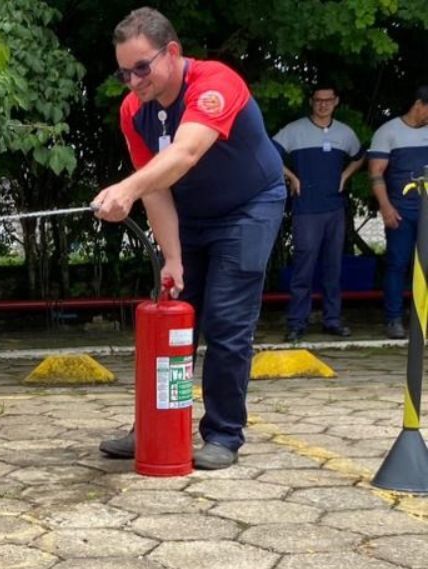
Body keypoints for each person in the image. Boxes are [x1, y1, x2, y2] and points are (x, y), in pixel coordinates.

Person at [92, 7, 286, 469]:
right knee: (172, 315)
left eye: (142, 68)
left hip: (248, 208)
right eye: (124, 73)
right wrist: (172, 259)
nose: (134, 81)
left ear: (172, 52)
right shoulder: (133, 111)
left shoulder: (215, 83)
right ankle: (154, 428)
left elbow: (185, 152)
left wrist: (126, 188)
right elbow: (157, 188)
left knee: (225, 320)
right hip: (189, 215)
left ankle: (223, 434)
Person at [273, 85, 364, 343]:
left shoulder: (345, 133)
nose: (323, 105)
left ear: (336, 102)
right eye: (318, 100)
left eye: (328, 100)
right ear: (311, 102)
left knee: (333, 267)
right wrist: (290, 177)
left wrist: (345, 175)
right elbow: (269, 153)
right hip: (306, 210)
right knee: (303, 267)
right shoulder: (294, 130)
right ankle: (296, 323)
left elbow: (360, 157)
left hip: (335, 208)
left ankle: (332, 320)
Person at [368, 85, 428, 339]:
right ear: (419, 104)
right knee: (397, 264)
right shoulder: (388, 132)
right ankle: (393, 319)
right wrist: (386, 207)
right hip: (401, 212)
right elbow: (375, 173)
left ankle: (423, 318)